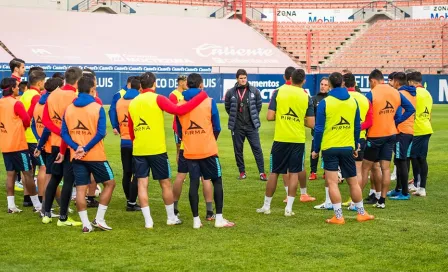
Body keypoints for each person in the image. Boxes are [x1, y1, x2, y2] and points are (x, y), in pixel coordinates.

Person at [127, 72, 207, 229]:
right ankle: (171, 217)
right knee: (165, 183)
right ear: (154, 84)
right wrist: (201, 96)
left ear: (141, 86)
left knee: (142, 184)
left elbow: (131, 130)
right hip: (157, 149)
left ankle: (148, 221)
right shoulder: (158, 98)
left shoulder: (133, 102)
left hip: (139, 149)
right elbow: (180, 110)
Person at [312, 72, 374, 224]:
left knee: (333, 183)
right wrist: (355, 144)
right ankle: (361, 212)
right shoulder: (353, 102)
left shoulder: (326, 102)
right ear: (342, 84)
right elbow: (356, 127)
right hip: (347, 146)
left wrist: (316, 149)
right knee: (353, 181)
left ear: (331, 85)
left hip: (330, 147)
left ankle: (339, 216)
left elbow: (319, 128)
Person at [176, 73, 233, 228]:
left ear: (187, 85)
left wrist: (189, 138)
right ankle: (218, 218)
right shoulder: (209, 102)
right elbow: (217, 127)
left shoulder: (180, 104)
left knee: (194, 183)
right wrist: (209, 139)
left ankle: (196, 220)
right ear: (201, 85)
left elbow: (179, 131)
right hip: (208, 149)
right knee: (217, 181)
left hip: (190, 150)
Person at [60, 75, 116, 233]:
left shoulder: (69, 108)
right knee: (110, 183)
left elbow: (63, 133)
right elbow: (101, 133)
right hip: (95, 155)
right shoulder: (97, 107)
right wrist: (85, 148)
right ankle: (99, 219)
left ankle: (85, 224)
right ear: (92, 89)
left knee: (80, 190)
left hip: (76, 156)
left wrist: (76, 147)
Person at [257, 69, 315, 217]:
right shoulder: (306, 96)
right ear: (303, 81)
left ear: (290, 78)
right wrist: (298, 119)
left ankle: (266, 206)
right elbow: (311, 123)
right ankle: (288, 209)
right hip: (297, 139)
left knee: (274, 172)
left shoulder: (279, 91)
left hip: (281, 138)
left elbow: (270, 116)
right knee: (294, 173)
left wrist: (283, 117)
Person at [360, 69, 415, 209]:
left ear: (373, 81)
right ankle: (382, 200)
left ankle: (356, 201)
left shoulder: (371, 94)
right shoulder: (395, 92)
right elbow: (410, 109)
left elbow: (367, 117)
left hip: (375, 135)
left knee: (365, 168)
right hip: (391, 134)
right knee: (385, 169)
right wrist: (396, 121)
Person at [41, 67, 83, 226]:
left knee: (54, 178)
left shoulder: (52, 95)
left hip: (53, 144)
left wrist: (58, 132)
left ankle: (46, 214)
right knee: (68, 180)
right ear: (78, 81)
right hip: (69, 145)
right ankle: (63, 218)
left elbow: (46, 121)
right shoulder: (75, 97)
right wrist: (64, 133)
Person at [0, 77, 41, 213]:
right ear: (12, 88)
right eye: (17, 86)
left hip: (5, 144)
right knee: (28, 174)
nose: (19, 88)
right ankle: (37, 205)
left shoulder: (1, 102)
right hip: (18, 144)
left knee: (10, 174)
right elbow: (26, 121)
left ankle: (11, 206)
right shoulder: (16, 103)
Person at [224, 69, 267, 181]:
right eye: (241, 78)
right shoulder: (230, 92)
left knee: (257, 148)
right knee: (238, 150)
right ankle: (242, 172)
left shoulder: (254, 91)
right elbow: (228, 108)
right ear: (237, 79)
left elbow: (258, 107)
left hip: (251, 126)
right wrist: (237, 119)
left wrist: (252, 118)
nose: (243, 80)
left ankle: (262, 172)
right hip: (237, 126)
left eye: (244, 78)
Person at [33, 77, 64, 217]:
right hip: (52, 144)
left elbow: (34, 124)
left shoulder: (39, 104)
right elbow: (47, 127)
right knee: (51, 177)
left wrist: (39, 141)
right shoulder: (51, 103)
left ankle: (56, 206)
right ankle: (45, 210)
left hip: (44, 144)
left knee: (50, 176)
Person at [386, 72, 416, 200]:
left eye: (391, 81)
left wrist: (397, 121)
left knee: (401, 161)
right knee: (399, 160)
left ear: (397, 82)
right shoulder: (411, 93)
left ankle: (404, 192)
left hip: (401, 132)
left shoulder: (399, 94)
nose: (390, 83)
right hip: (409, 130)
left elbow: (398, 112)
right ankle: (398, 189)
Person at [20, 70, 47, 208]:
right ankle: (42, 198)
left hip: (24, 136)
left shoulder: (24, 94)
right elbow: (31, 116)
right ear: (40, 82)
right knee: (43, 167)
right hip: (33, 136)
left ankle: (27, 198)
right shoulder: (36, 97)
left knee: (28, 169)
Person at [115, 77, 141, 211]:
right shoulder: (138, 101)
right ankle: (132, 202)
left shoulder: (120, 101)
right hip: (136, 140)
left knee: (127, 172)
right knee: (137, 173)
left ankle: (129, 199)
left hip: (124, 140)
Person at [408, 71, 433, 197]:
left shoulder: (414, 93)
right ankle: (420, 186)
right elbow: (430, 113)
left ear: (411, 82)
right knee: (421, 158)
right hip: (426, 127)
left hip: (417, 129)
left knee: (414, 157)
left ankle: (418, 185)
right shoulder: (427, 93)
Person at [309, 77, 330, 181]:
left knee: (326, 152)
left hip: (329, 131)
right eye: (322, 84)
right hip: (317, 130)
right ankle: (313, 172)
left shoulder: (331, 99)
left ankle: (326, 172)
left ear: (329, 87)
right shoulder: (313, 98)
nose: (323, 86)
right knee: (314, 151)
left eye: (325, 85)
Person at [169, 75, 188, 161]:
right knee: (179, 149)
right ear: (181, 83)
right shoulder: (173, 95)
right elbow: (175, 110)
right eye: (185, 81)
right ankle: (180, 170)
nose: (187, 83)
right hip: (178, 126)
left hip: (187, 124)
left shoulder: (187, 93)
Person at [388, 72, 398, 182]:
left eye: (390, 80)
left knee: (396, 152)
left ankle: (395, 173)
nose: (389, 82)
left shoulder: (396, 93)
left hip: (395, 127)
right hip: (391, 126)